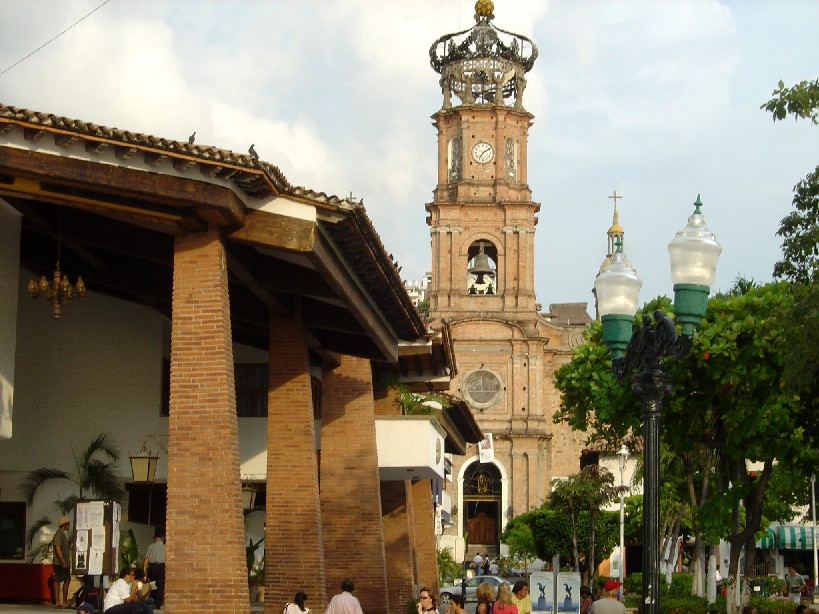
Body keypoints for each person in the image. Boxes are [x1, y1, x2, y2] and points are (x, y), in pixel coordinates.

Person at [52, 515, 72, 609]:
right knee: (58, 581)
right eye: (68, 524)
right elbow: (58, 548)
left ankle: (64, 601)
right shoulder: (58, 535)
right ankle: (58, 602)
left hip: (64, 562)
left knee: (67, 579)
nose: (69, 526)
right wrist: (63, 561)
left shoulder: (63, 534)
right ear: (65, 525)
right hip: (59, 563)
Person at [143, 532, 165, 608]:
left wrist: (144, 569)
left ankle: (152, 600)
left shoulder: (151, 546)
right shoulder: (165, 547)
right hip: (162, 567)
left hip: (153, 567)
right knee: (160, 585)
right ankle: (158, 603)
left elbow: (146, 558)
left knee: (152, 584)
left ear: (156, 538)